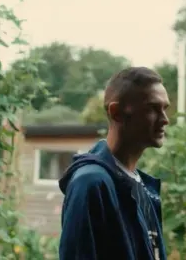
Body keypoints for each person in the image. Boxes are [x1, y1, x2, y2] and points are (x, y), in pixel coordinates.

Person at [58, 67, 170, 260]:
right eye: (152, 108)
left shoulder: (139, 185)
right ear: (117, 113)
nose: (165, 120)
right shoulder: (91, 183)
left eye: (164, 108)